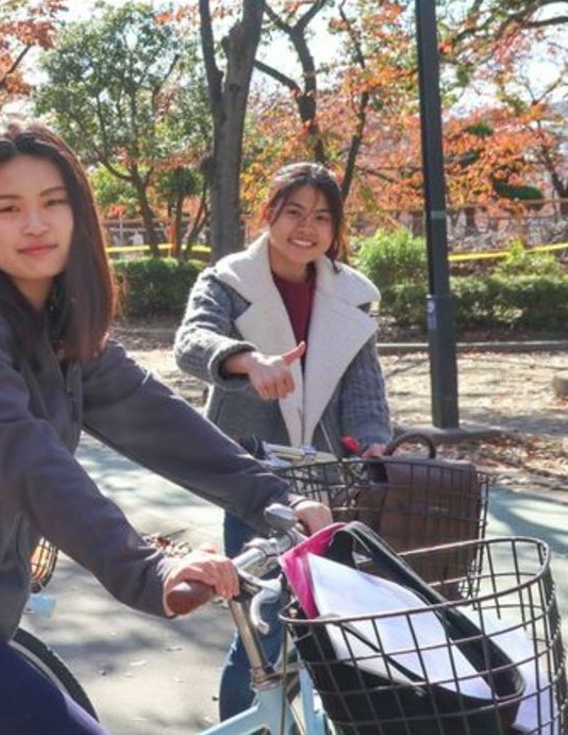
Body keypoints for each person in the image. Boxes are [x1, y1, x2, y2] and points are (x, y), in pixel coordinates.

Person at [0, 121, 330, 735]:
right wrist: (147, 568)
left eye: (53, 203)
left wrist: (275, 494)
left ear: (79, 216)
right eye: (9, 208)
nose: (35, 224)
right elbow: (29, 461)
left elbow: (156, 417)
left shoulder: (62, 325)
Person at [174, 160, 391, 722]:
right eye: (293, 211)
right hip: (253, 474)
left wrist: (370, 443)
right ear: (268, 213)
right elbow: (191, 342)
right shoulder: (228, 280)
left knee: (332, 621)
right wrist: (247, 361)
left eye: (321, 216)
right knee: (264, 621)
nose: (306, 227)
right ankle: (242, 723)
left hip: (328, 476)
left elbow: (363, 386)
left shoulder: (350, 293)